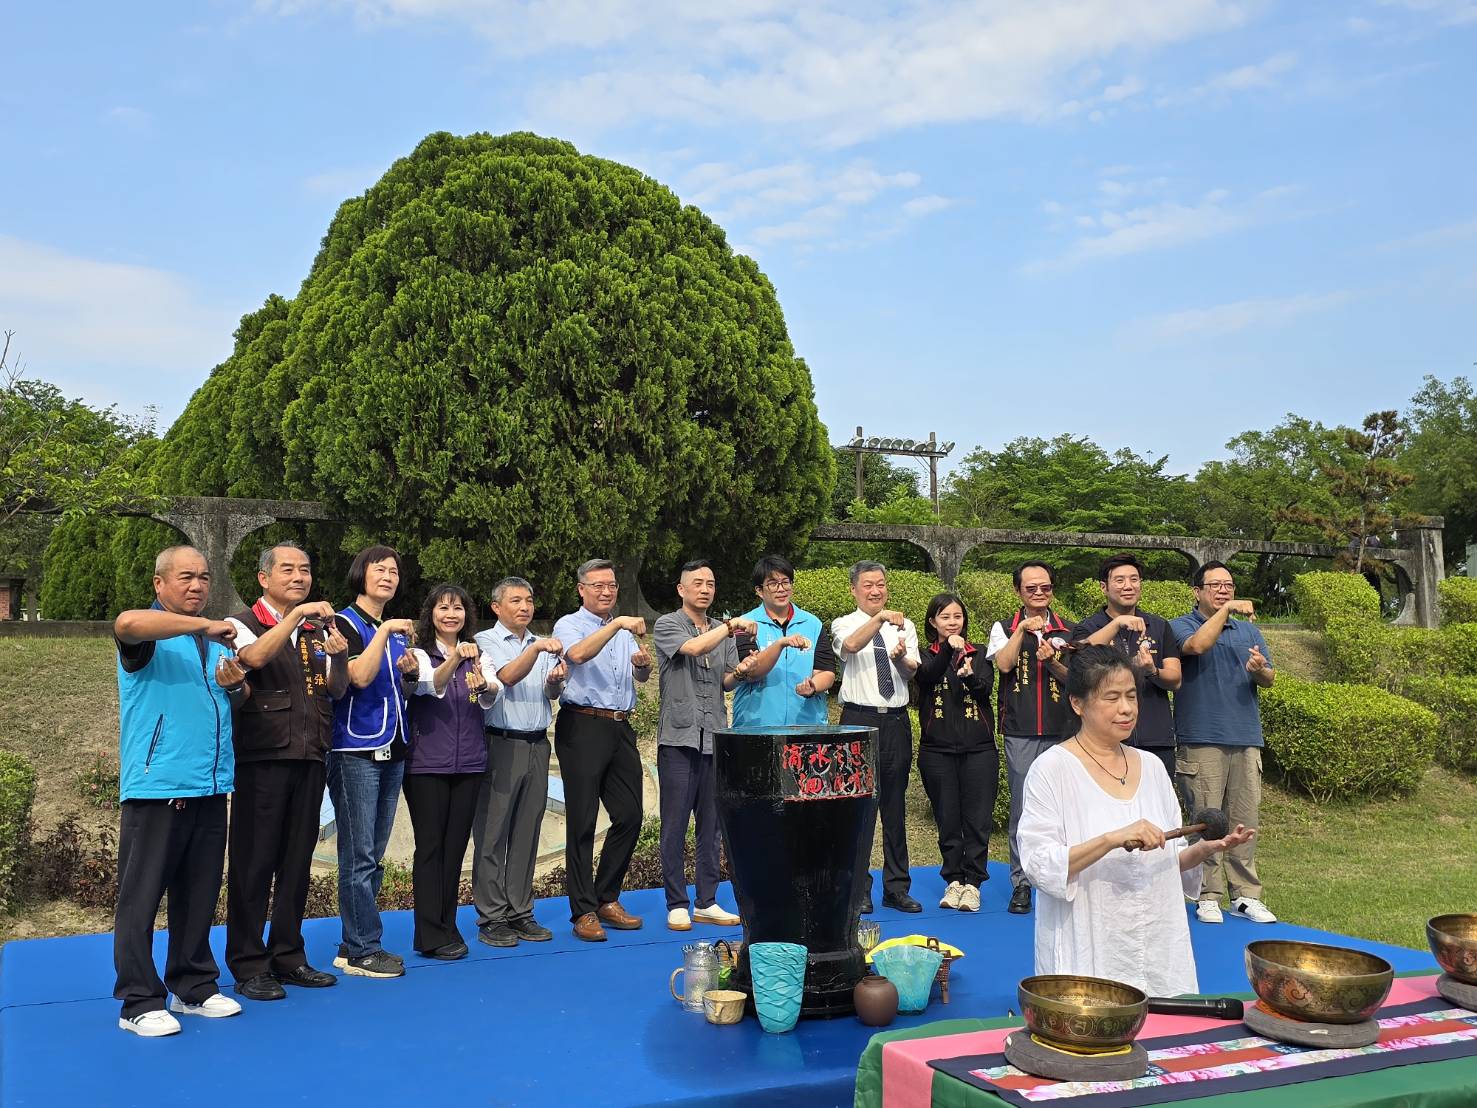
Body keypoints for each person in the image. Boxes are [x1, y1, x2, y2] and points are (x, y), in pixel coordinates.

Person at [1018, 646, 1254, 996]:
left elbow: (1169, 861)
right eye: (1111, 697)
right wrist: (1112, 839)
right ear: (1078, 704)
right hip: (1092, 943)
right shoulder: (1051, 769)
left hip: (1157, 941)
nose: (1126, 708)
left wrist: (1203, 849)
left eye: (1131, 695)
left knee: (1165, 1038)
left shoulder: (1153, 767)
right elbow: (1039, 864)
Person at [112, 545, 246, 1036]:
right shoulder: (152, 631)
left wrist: (236, 685)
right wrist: (200, 625)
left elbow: (237, 696)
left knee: (199, 894)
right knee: (141, 899)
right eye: (186, 577)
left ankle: (192, 987)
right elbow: (127, 624)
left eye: (204, 578)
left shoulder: (215, 641)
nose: (197, 586)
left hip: (211, 785)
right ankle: (138, 1001)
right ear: (159, 584)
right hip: (157, 787)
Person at [225, 543, 349, 1002]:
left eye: (306, 569)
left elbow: (335, 688)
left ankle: (289, 955)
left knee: (297, 862)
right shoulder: (241, 621)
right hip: (263, 755)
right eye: (288, 569)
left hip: (311, 751)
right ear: (263, 577)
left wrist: (336, 656)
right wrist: (294, 620)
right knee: (253, 862)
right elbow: (253, 659)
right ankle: (247, 962)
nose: (299, 577)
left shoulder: (317, 628)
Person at [328, 545, 425, 979]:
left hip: (393, 748)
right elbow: (357, 678)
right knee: (359, 854)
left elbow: (399, 692)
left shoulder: (396, 631)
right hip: (356, 750)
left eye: (393, 571)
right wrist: (384, 634)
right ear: (360, 575)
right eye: (378, 569)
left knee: (374, 854)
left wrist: (408, 674)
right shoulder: (345, 623)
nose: (388, 576)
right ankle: (363, 949)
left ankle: (355, 942)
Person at [1172, 561, 1278, 926]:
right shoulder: (1182, 625)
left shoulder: (1249, 630)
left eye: (1228, 585)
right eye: (1215, 585)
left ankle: (1246, 896)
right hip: (1202, 737)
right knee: (1208, 820)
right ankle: (1207, 894)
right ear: (1197, 591)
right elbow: (1198, 646)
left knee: (1244, 819)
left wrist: (1260, 668)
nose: (1223, 590)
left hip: (1246, 737)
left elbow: (1270, 678)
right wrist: (1226, 611)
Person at [553, 559, 652, 942]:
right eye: (598, 585)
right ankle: (583, 910)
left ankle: (607, 896)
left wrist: (642, 668)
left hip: (619, 724)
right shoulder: (570, 624)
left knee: (630, 814)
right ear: (581, 588)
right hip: (582, 724)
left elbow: (636, 677)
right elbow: (576, 655)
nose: (607, 591)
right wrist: (617, 624)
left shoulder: (624, 632)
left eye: (611, 585)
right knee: (582, 820)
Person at [652, 560, 753, 931]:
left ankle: (706, 900)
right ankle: (676, 901)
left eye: (711, 583)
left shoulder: (721, 631)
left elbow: (727, 681)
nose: (705, 589)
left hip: (714, 737)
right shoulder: (667, 624)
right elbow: (693, 649)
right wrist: (729, 628)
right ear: (681, 589)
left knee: (711, 827)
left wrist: (742, 670)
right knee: (675, 824)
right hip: (678, 738)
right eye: (697, 583)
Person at [403, 584, 502, 959]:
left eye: (457, 608)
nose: (451, 615)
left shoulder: (479, 654)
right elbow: (430, 686)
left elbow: (492, 695)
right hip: (427, 764)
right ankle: (428, 934)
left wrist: (484, 683)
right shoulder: (418, 654)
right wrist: (455, 660)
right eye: (443, 608)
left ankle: (447, 924)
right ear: (430, 614)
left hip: (471, 762)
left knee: (455, 848)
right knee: (430, 847)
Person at [471, 577, 566, 948]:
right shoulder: (485, 642)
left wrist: (556, 680)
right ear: (496, 607)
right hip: (501, 744)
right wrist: (538, 649)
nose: (525, 607)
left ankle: (519, 910)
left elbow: (550, 693)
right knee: (493, 833)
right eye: (516, 600)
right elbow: (506, 677)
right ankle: (491, 916)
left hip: (538, 744)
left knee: (528, 831)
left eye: (529, 600)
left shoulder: (537, 644)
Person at [833, 561, 922, 914]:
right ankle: (859, 888)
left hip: (896, 720)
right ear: (854, 589)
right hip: (858, 719)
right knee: (858, 807)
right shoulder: (845, 623)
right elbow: (851, 646)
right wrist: (881, 619)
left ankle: (897, 887)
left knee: (895, 806)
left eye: (881, 584)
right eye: (868, 585)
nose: (876, 590)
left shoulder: (907, 625)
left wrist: (901, 659)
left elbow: (910, 671)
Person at [987, 560, 1074, 915]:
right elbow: (1004, 665)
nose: (1039, 593)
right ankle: (1021, 882)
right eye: (1031, 588)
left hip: (1063, 731)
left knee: (1065, 810)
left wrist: (1054, 660)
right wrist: (1021, 630)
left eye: (1045, 587)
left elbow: (1076, 679)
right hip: (1021, 730)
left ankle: (1060, 879)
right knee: (1023, 810)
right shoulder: (1004, 627)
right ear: (1018, 591)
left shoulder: (1068, 630)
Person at [915, 593, 997, 913]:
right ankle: (953, 880)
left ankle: (973, 884)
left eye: (958, 616)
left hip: (979, 751)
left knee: (977, 820)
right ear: (933, 622)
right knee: (947, 818)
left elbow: (985, 689)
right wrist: (949, 649)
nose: (953, 622)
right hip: (936, 750)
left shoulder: (978, 654)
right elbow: (928, 675)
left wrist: (970, 675)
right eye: (945, 617)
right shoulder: (924, 654)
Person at [1068, 554, 1182, 780]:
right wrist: (1117, 623)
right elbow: (1080, 654)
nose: (1128, 586)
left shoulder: (1159, 626)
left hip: (1155, 737)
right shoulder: (1088, 627)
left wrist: (1152, 670)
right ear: (1104, 587)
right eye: (1119, 581)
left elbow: (1175, 678)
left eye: (1134, 579)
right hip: (1105, 741)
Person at [730, 554, 837, 729]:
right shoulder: (745, 623)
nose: (781, 589)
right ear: (759, 590)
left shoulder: (812, 623)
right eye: (773, 583)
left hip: (806, 725)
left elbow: (826, 671)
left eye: (786, 582)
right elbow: (750, 673)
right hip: (756, 725)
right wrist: (780, 644)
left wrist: (813, 687)